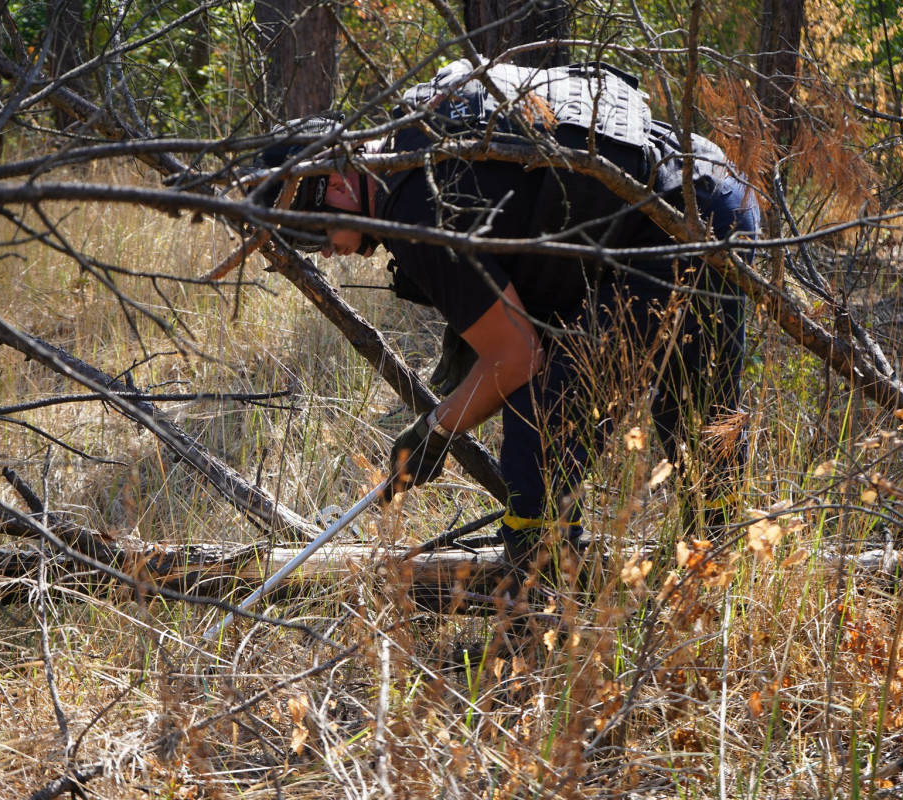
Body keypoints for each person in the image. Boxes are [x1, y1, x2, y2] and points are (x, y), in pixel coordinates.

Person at [255, 61, 760, 570]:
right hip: (711, 187)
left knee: (546, 420)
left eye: (314, 235)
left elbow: (517, 357)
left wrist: (436, 430)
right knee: (695, 415)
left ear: (336, 185)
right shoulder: (417, 122)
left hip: (684, 227)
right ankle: (714, 573)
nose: (325, 253)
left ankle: (539, 605)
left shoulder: (413, 217)